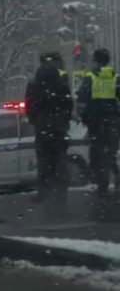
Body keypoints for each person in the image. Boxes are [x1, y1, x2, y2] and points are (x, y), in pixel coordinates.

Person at [24, 52, 72, 204]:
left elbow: (29, 106)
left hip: (42, 127)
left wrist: (36, 120)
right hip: (59, 127)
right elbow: (68, 104)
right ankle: (61, 194)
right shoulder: (61, 81)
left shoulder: (34, 83)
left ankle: (44, 192)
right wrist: (64, 120)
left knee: (44, 161)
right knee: (60, 159)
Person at [76, 48, 120, 201]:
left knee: (98, 153)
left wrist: (84, 116)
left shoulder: (90, 77)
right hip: (113, 121)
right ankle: (115, 175)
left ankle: (102, 185)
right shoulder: (115, 76)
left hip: (96, 122)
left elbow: (82, 99)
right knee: (110, 152)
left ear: (95, 60)